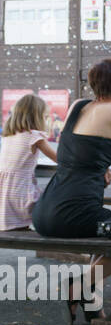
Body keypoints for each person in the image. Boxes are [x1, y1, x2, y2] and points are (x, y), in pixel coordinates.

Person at [31, 58, 111, 323]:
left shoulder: (77, 106)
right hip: (74, 213)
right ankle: (80, 284)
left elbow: (71, 152)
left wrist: (99, 166)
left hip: (45, 211)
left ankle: (94, 308)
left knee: (108, 232)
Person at [0, 94, 59, 231]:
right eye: (45, 116)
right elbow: (59, 159)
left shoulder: (10, 135)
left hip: (4, 194)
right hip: (20, 194)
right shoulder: (34, 136)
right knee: (62, 201)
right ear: (37, 117)